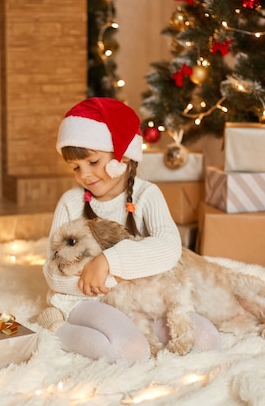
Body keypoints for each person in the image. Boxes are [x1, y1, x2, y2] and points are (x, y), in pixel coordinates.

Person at [37, 97, 220, 362]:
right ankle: (57, 327)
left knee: (206, 340)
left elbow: (169, 248)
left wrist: (109, 261)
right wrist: (109, 281)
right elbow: (51, 271)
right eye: (76, 167)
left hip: (138, 300)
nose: (84, 175)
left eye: (93, 162)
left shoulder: (147, 195)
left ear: (122, 156)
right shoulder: (70, 202)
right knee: (131, 351)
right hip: (88, 302)